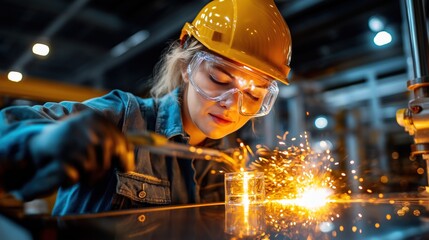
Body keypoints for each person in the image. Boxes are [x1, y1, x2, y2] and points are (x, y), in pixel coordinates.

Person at [0, 0, 291, 215]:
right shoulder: (122, 117)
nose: (231, 103)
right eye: (219, 78)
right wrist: (44, 141)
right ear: (187, 66)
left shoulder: (233, 162)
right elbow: (7, 129)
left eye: (253, 96)